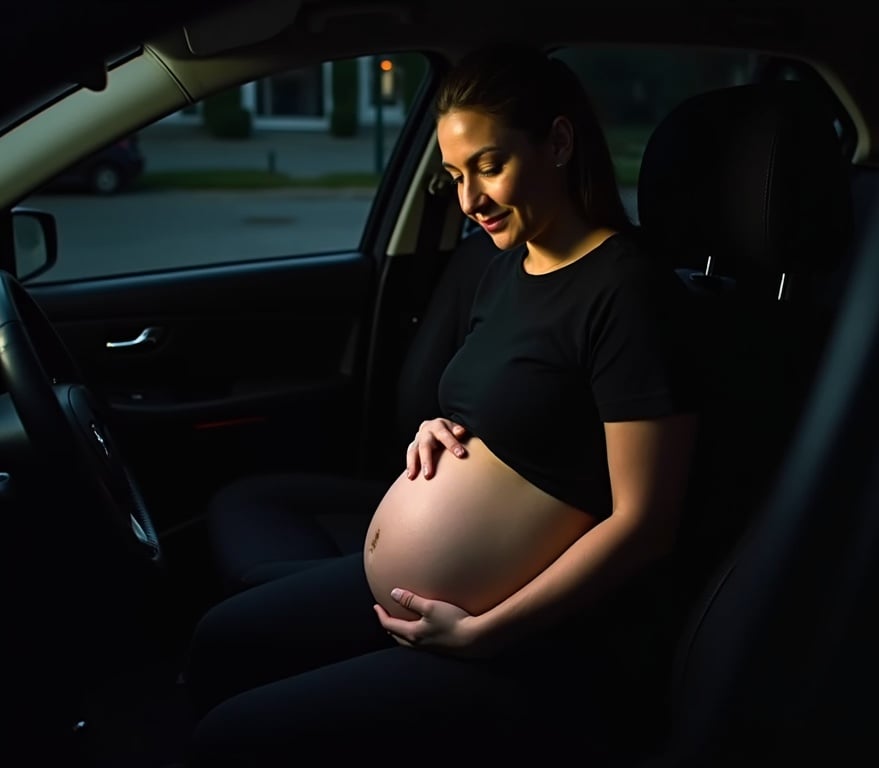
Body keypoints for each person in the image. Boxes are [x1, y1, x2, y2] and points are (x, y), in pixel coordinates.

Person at [181, 42, 698, 767]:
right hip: (424, 600)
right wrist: (446, 425)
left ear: (556, 142)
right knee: (222, 641)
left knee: (229, 741)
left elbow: (645, 525)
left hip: (522, 638)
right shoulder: (504, 268)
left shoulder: (628, 293)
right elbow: (522, 409)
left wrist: (486, 633)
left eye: (489, 166)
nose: (468, 200)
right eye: (455, 176)